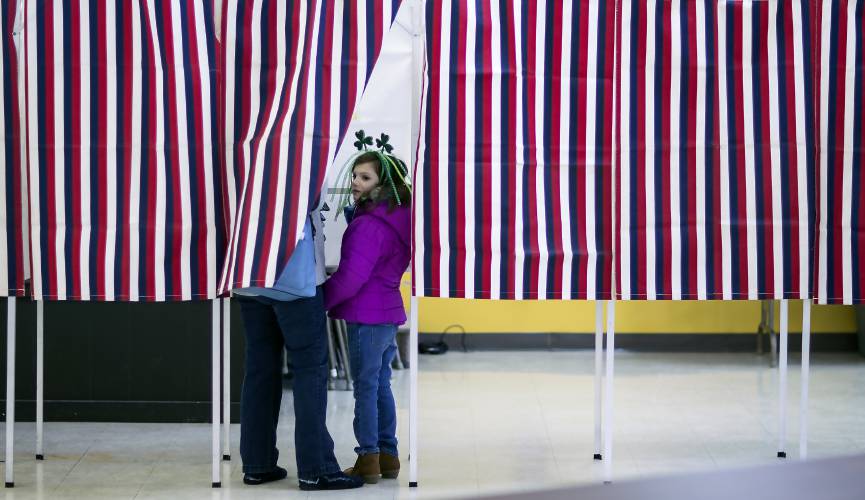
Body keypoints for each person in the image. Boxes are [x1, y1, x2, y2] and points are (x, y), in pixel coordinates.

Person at [233, 198, 364, 491]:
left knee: (259, 371)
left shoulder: (240, 153)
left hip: (249, 273)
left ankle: (258, 464)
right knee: (309, 370)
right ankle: (316, 470)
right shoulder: (303, 154)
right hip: (296, 276)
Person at [324, 131, 412, 484]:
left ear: (382, 183)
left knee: (366, 386)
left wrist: (321, 301)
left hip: (366, 314)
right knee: (380, 384)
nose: (356, 183)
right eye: (355, 176)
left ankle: (368, 459)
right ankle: (388, 455)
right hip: (387, 311)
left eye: (365, 177)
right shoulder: (397, 218)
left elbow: (350, 278)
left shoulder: (369, 226)